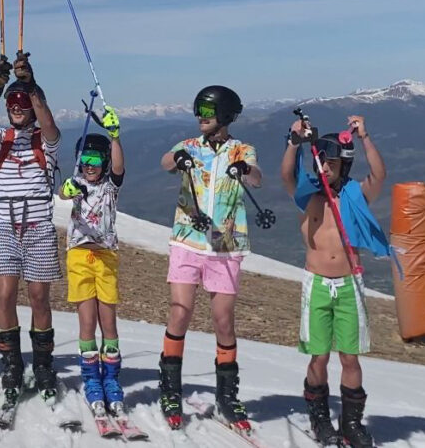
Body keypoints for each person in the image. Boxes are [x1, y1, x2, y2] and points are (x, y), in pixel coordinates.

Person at [157, 85, 261, 431]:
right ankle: (170, 390)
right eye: (198, 110)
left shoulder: (242, 149)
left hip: (226, 245)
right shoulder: (189, 145)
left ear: (225, 115)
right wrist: (178, 159)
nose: (200, 117)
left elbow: (257, 178)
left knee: (223, 320)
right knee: (180, 312)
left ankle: (227, 396)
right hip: (187, 239)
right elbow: (166, 162)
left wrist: (244, 170)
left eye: (207, 112)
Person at [280, 114, 387, 448]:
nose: (325, 168)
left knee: (350, 357)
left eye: (332, 163)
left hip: (349, 284)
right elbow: (286, 174)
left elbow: (379, 176)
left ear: (344, 164)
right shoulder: (308, 196)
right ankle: (320, 417)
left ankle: (351, 423)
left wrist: (365, 137)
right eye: (321, 162)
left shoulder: (354, 196)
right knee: (319, 356)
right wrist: (294, 142)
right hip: (316, 284)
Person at [0, 52, 62, 406]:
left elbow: (50, 123)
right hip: (4, 225)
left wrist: (31, 86)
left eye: (22, 103)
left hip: (38, 226)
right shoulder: (3, 140)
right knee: (5, 294)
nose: (16, 107)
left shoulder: (46, 142)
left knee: (39, 296)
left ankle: (43, 364)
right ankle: (12, 363)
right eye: (12, 102)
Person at [57, 115, 126, 417]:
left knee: (108, 321)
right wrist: (67, 189)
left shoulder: (110, 186)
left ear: (105, 161)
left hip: (105, 257)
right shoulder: (77, 184)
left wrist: (115, 137)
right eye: (84, 159)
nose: (90, 165)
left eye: (96, 159)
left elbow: (119, 168)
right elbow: (62, 192)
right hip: (80, 256)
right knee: (87, 321)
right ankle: (91, 379)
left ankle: (111, 378)